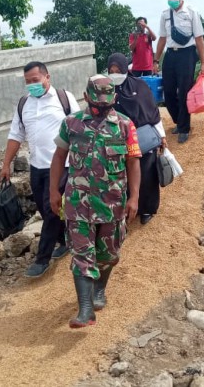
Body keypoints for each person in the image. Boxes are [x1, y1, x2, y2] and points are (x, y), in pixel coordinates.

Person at [49, 74, 141, 328]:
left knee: (108, 254)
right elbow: (58, 158)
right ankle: (85, 308)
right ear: (86, 96)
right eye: (97, 103)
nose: (101, 108)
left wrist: (134, 197)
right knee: (81, 254)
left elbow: (133, 163)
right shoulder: (71, 124)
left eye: (106, 104)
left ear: (115, 99)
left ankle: (99, 288)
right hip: (78, 202)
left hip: (113, 203)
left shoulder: (125, 125)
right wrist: (53, 192)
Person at [1, 61, 80, 278]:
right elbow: (16, 135)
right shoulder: (23, 103)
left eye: (35, 80)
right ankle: (65, 241)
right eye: (27, 82)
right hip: (36, 167)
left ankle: (42, 260)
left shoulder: (64, 98)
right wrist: (6, 164)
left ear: (47, 77)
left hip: (62, 166)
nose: (31, 85)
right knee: (46, 211)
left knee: (52, 210)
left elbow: (80, 128)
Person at [107, 52, 166, 225]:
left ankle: (146, 208)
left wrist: (161, 135)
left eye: (118, 70)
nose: (115, 73)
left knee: (146, 173)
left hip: (141, 138)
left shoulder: (139, 86)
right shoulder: (105, 89)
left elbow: (152, 112)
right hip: (116, 139)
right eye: (111, 70)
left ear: (126, 69)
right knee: (119, 173)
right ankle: (124, 207)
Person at [153, 0, 204, 144]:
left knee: (184, 92)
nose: (172, 1)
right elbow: (162, 38)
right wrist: (156, 60)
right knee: (168, 92)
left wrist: (203, 63)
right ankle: (178, 120)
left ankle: (184, 128)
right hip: (170, 55)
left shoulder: (191, 11)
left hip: (187, 55)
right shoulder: (165, 14)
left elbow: (199, 39)